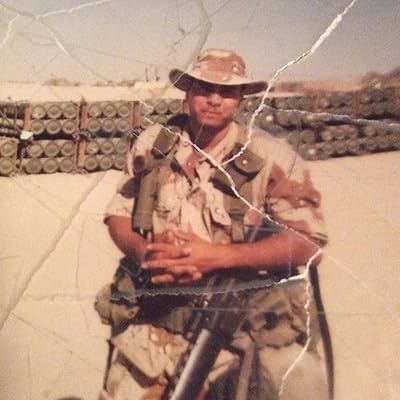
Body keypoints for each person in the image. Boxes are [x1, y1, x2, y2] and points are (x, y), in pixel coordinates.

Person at [96, 48, 330, 400]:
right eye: (205, 88)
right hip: (151, 333)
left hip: (234, 339)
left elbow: (309, 244)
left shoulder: (271, 157)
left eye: (228, 91)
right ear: (188, 91)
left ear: (241, 98)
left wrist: (218, 257)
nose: (215, 99)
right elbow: (118, 214)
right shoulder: (154, 144)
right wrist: (145, 253)